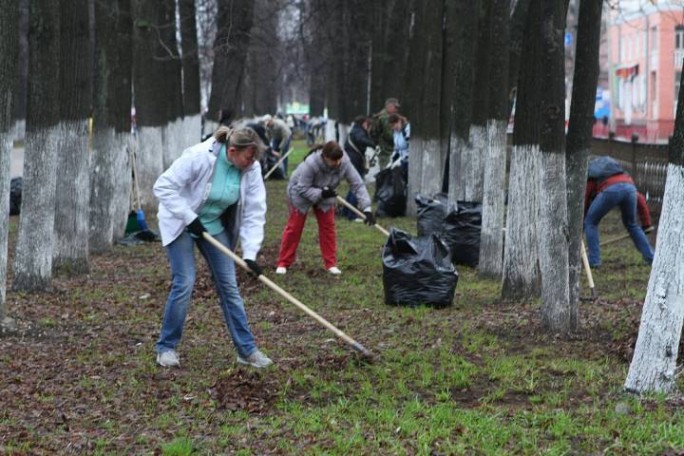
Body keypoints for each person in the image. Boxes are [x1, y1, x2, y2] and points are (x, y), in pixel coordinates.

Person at [153, 126, 273, 369]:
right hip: (181, 222)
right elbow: (162, 186)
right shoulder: (199, 156)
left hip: (212, 225)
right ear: (232, 151)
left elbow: (254, 211)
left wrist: (250, 254)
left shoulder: (251, 169)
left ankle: (246, 350)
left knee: (229, 285)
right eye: (248, 157)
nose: (252, 163)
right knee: (185, 281)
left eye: (254, 158)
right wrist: (188, 217)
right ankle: (166, 347)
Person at [275, 141, 375, 275]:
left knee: (328, 227)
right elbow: (302, 187)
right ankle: (283, 262)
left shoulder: (344, 162)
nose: (337, 163)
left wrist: (367, 209)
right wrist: (320, 193)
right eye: (334, 160)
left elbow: (357, 184)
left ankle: (330, 264)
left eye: (339, 160)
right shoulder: (311, 164)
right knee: (294, 228)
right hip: (300, 192)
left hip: (326, 191)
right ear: (325, 157)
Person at [584, 156, 655, 268]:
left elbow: (585, 197)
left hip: (609, 191)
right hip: (630, 191)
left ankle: (594, 261)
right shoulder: (624, 177)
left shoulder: (592, 175)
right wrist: (646, 224)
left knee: (590, 223)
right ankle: (652, 258)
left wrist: (581, 220)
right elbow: (640, 199)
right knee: (632, 224)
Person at [343, 116, 376, 221]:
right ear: (364, 123)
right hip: (354, 161)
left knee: (354, 186)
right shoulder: (358, 131)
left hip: (353, 160)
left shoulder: (356, 129)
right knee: (357, 186)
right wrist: (373, 144)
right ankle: (352, 215)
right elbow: (360, 139)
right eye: (368, 124)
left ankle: (346, 210)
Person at [370, 97, 404, 169]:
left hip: (387, 151)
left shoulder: (385, 116)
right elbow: (389, 136)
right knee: (386, 174)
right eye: (395, 107)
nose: (397, 109)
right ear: (389, 106)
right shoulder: (385, 118)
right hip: (387, 152)